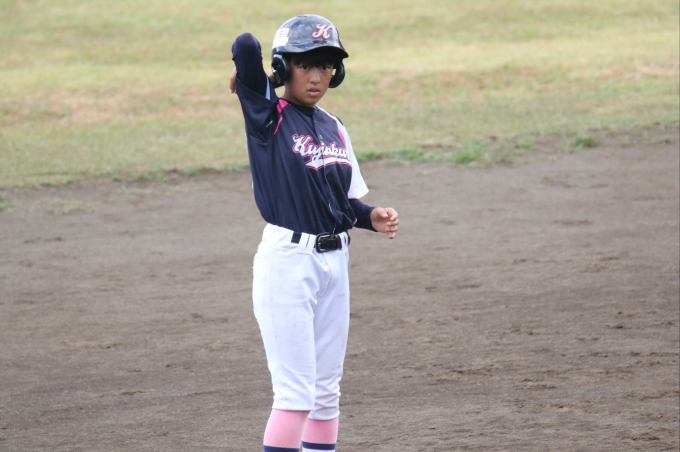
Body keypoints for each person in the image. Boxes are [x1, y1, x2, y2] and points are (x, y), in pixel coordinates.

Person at [229, 14, 399, 452]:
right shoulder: (267, 116)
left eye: (326, 65)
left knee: (325, 395)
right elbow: (245, 44)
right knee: (295, 395)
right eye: (305, 64)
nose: (317, 76)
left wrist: (371, 216)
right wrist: (263, 81)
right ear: (284, 67)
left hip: (334, 264)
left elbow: (343, 202)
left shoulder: (333, 125)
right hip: (289, 264)